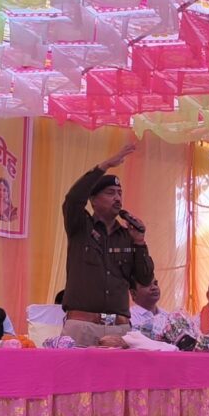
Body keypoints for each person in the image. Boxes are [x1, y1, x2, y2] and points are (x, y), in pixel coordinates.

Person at [60, 143, 154, 347]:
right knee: (74, 370)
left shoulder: (127, 235)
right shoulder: (80, 227)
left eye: (120, 193)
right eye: (110, 193)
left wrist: (139, 242)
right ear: (93, 200)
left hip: (119, 329)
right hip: (82, 326)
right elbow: (73, 199)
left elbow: (145, 279)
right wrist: (104, 166)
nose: (117, 198)